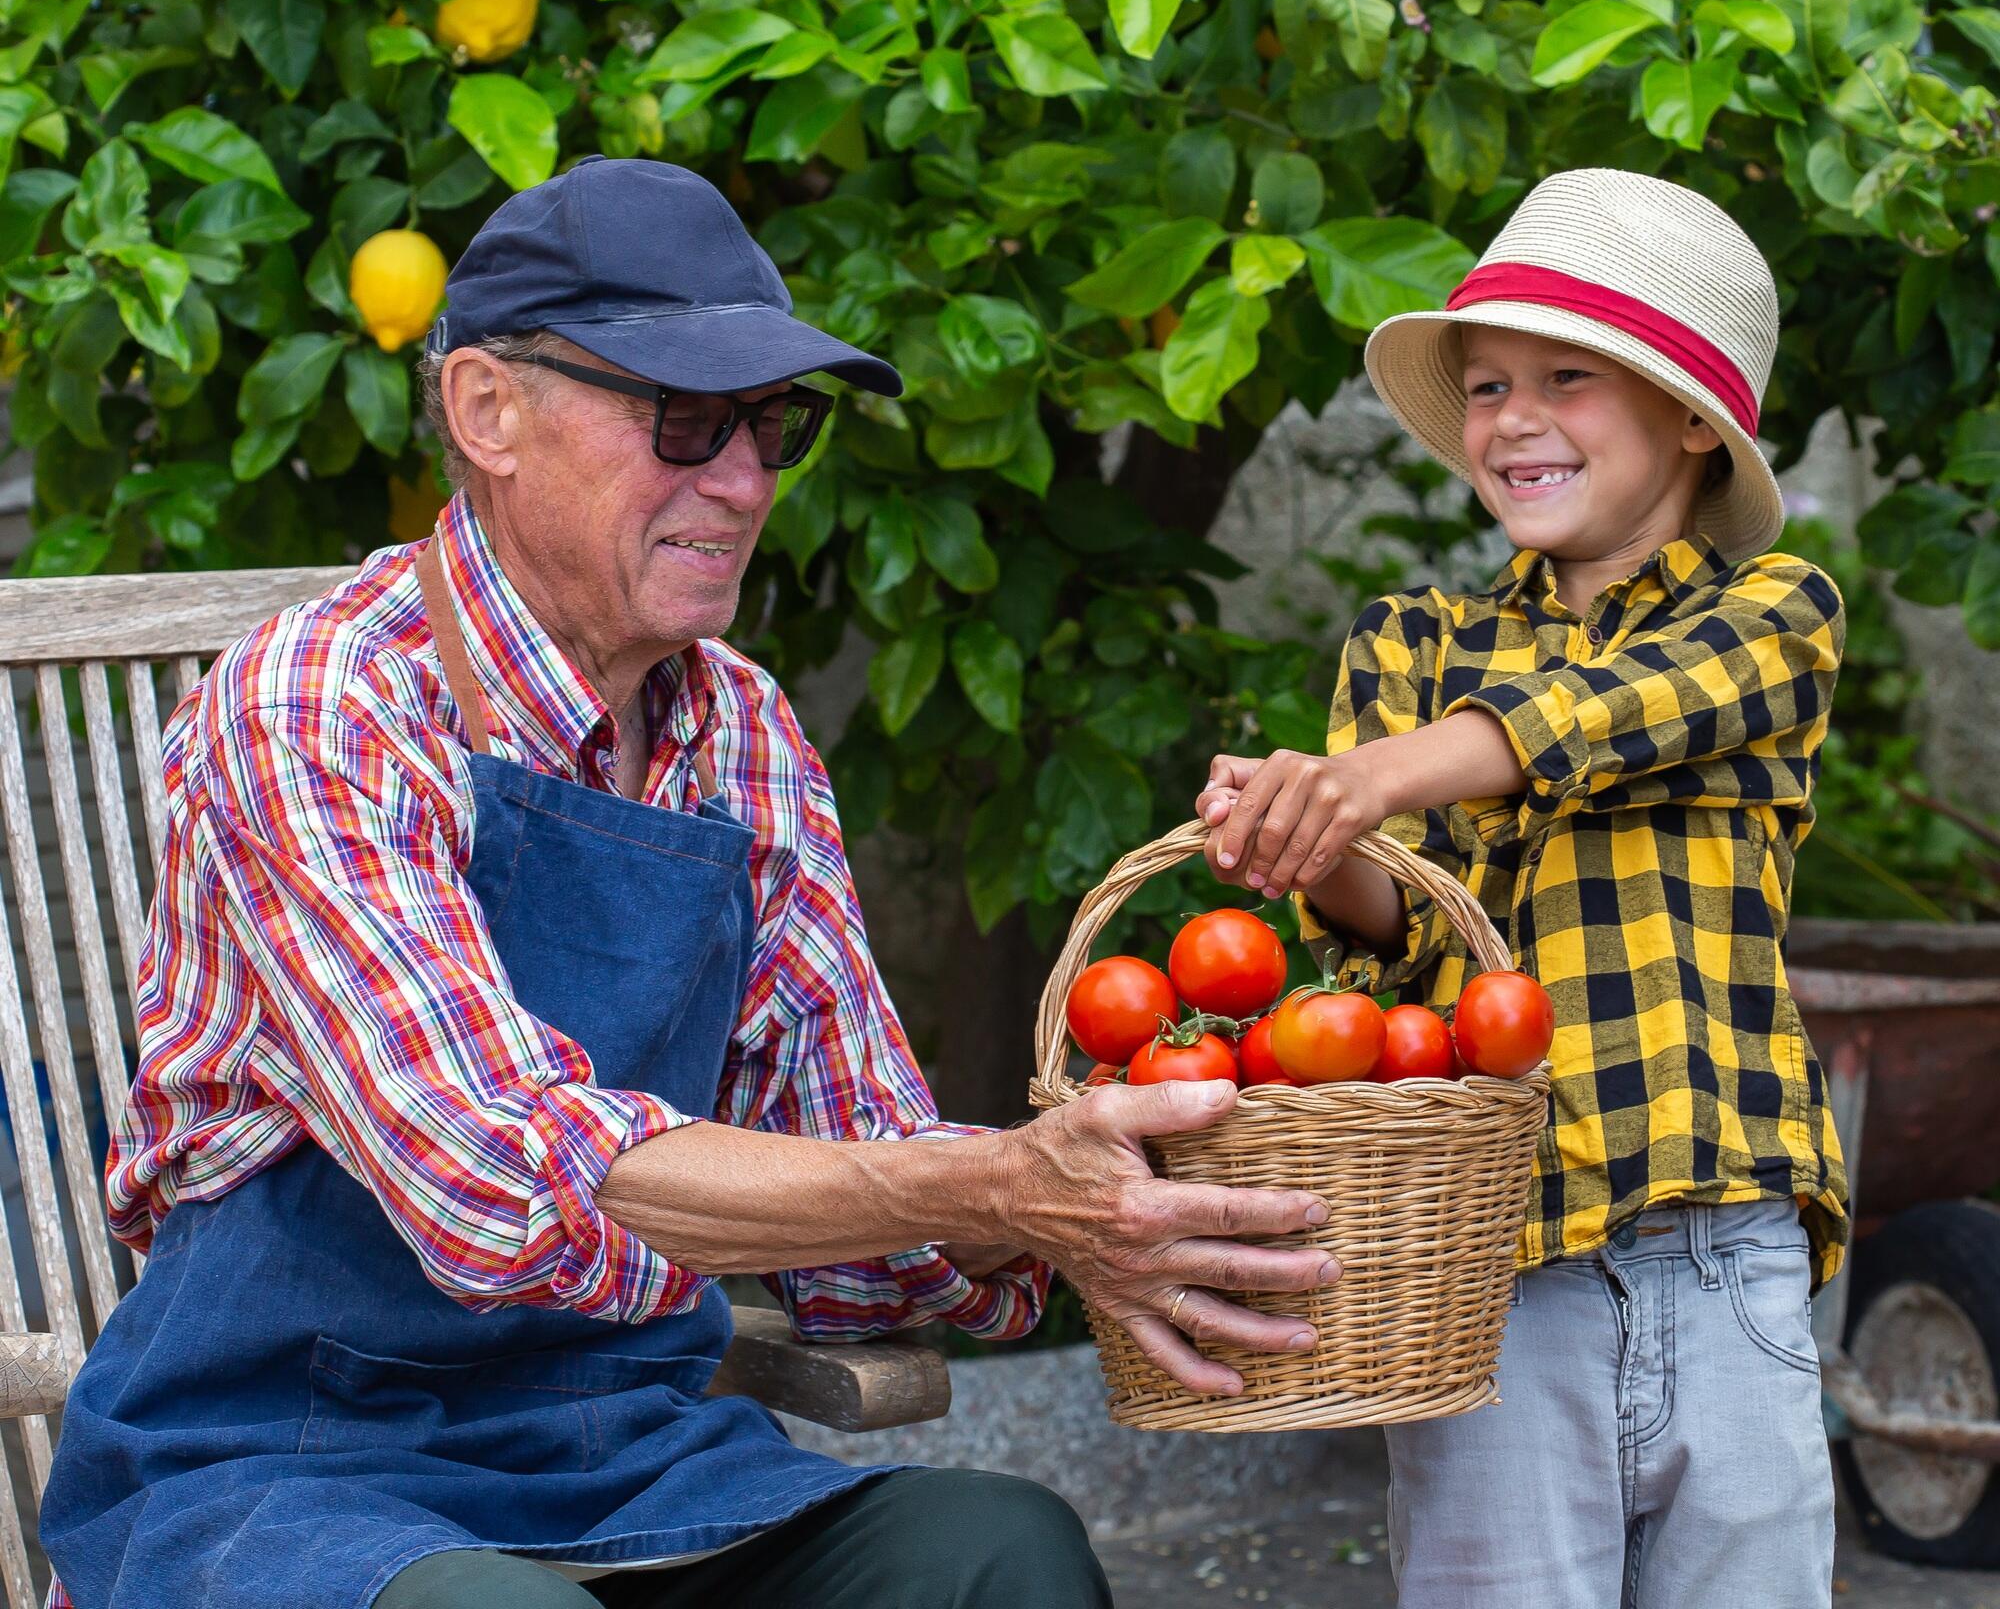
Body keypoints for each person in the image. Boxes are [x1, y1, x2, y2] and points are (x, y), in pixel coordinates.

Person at [40, 157, 1340, 1609]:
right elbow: (489, 1178)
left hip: (626, 1449)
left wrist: (1134, 1188)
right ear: (487, 410)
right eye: (683, 422)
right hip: (275, 1473)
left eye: (771, 426)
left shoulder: (743, 735)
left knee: (999, 1556)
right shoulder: (320, 706)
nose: (740, 480)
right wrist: (996, 1181)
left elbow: (876, 1232)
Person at [1196, 169, 1847, 1607]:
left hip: (1722, 1241)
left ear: (1689, 415)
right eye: (1487, 386)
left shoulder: (1771, 611)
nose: (1512, 419)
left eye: (1568, 377)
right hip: (1487, 1262)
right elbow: (1403, 926)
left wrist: (1376, 780)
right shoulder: (1412, 639)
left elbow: (1624, 711)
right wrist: (1305, 840)